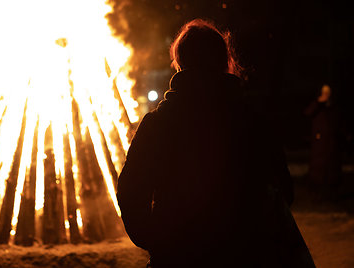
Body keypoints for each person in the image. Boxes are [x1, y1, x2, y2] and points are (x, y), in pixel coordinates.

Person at [117, 19, 315, 267]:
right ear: (224, 61)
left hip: (178, 255)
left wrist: (155, 238)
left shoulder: (159, 123)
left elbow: (131, 189)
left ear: (180, 63)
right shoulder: (251, 119)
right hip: (244, 254)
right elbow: (282, 187)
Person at [304, 84, 343, 193]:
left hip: (330, 143)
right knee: (318, 166)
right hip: (319, 143)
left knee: (331, 166)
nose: (326, 95)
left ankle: (331, 187)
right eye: (324, 92)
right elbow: (307, 113)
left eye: (328, 93)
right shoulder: (317, 105)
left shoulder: (333, 107)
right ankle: (316, 186)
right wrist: (318, 102)